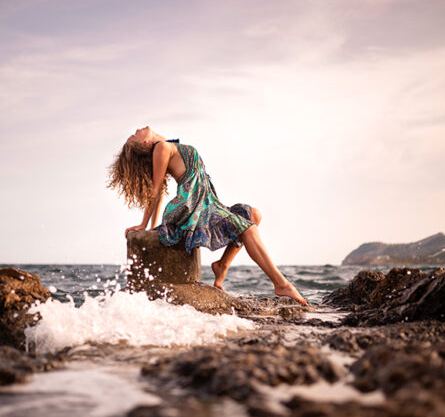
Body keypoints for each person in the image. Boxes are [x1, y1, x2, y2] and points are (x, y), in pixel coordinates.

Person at [107, 126, 308, 306]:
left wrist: (149, 225)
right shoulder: (161, 148)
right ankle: (281, 284)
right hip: (191, 206)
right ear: (145, 143)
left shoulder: (168, 145)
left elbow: (159, 190)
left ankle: (222, 266)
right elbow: (156, 191)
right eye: (134, 135)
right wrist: (146, 225)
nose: (137, 129)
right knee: (249, 228)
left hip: (208, 202)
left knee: (253, 215)